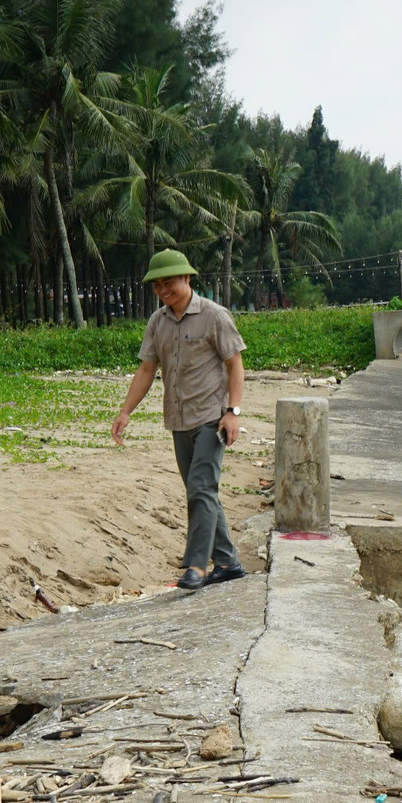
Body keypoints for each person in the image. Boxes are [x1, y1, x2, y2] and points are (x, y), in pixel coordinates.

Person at [111, 249, 248, 590]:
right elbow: (147, 369)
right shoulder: (157, 322)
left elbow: (235, 364)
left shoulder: (214, 316)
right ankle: (228, 561)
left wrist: (233, 413)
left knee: (201, 489)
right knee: (200, 491)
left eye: (168, 283)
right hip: (177, 419)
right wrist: (126, 411)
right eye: (157, 286)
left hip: (211, 419)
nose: (163, 290)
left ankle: (197, 567)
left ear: (187, 278)